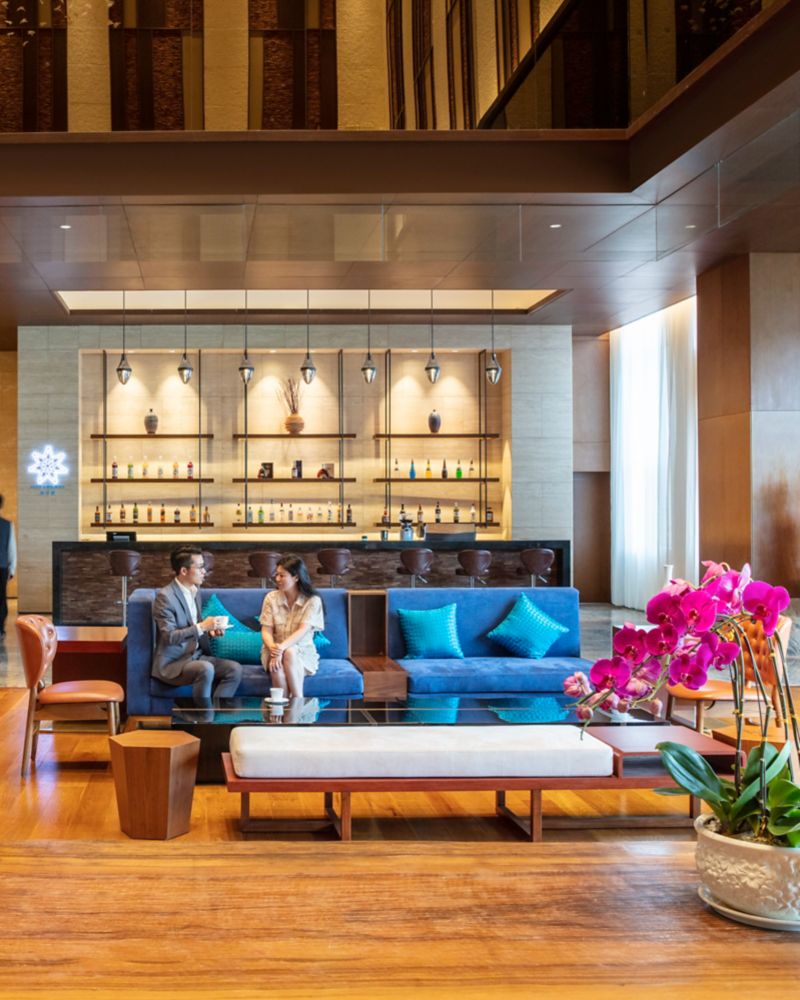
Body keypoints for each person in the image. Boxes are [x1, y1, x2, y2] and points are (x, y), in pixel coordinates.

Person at [152, 546, 242, 705]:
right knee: (205, 668)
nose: (204, 571)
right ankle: (203, 716)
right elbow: (169, 637)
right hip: (174, 662)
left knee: (234, 669)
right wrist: (203, 627)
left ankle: (218, 713)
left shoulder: (194, 591)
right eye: (200, 567)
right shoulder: (165, 597)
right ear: (184, 571)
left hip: (195, 655)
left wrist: (210, 630)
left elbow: (195, 626)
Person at [260, 554, 324, 698]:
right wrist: (275, 650)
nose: (277, 579)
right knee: (277, 667)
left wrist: (281, 649)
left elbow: (303, 630)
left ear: (296, 577)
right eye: (276, 575)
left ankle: (295, 700)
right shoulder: (271, 598)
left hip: (302, 652)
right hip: (273, 650)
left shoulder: (312, 600)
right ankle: (291, 707)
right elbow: (266, 630)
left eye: (282, 576)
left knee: (290, 652)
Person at [0, 495, 16, 639]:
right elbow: (11, 548)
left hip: (2, 566)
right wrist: (12, 568)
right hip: (2, 566)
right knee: (1, 598)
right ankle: (0, 629)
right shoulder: (7, 525)